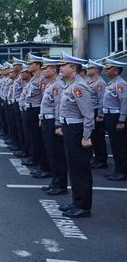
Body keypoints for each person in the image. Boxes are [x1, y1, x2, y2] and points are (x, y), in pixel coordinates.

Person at [55, 52, 94, 218]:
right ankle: (76, 201)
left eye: (64, 65)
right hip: (70, 129)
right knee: (73, 167)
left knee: (80, 169)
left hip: (77, 131)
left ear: (73, 68)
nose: (61, 68)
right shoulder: (69, 85)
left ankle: (83, 207)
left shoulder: (79, 87)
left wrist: (86, 136)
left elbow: (88, 114)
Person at [39, 57, 68, 196]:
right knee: (51, 152)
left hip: (53, 123)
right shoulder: (51, 84)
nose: (43, 70)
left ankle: (60, 184)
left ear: (53, 70)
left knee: (57, 154)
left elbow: (59, 106)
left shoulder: (58, 85)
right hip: (46, 120)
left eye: (46, 68)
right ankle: (55, 182)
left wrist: (58, 123)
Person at [98, 58, 127, 181]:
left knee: (120, 146)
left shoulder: (120, 84)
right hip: (110, 116)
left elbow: (125, 102)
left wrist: (122, 121)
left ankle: (123, 171)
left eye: (109, 68)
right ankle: (118, 170)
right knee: (115, 145)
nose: (106, 70)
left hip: (116, 117)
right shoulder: (112, 83)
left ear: (115, 71)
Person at [85, 59, 108, 169]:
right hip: (91, 111)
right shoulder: (91, 81)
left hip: (96, 112)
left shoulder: (100, 83)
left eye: (90, 68)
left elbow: (102, 100)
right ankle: (97, 157)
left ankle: (102, 159)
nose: (87, 70)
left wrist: (100, 114)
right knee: (93, 137)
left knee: (98, 137)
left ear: (96, 70)